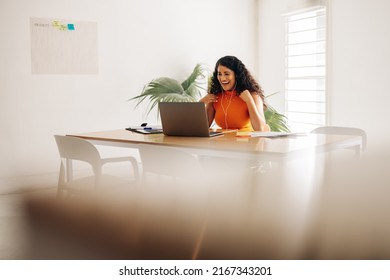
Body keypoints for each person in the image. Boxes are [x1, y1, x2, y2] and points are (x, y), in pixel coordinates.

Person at [200, 56, 270, 132]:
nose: (222, 78)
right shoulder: (215, 97)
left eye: (226, 74)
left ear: (236, 75)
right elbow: (200, 127)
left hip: (247, 142)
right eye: (219, 74)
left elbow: (260, 129)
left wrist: (249, 101)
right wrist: (201, 103)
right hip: (222, 142)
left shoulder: (253, 96)